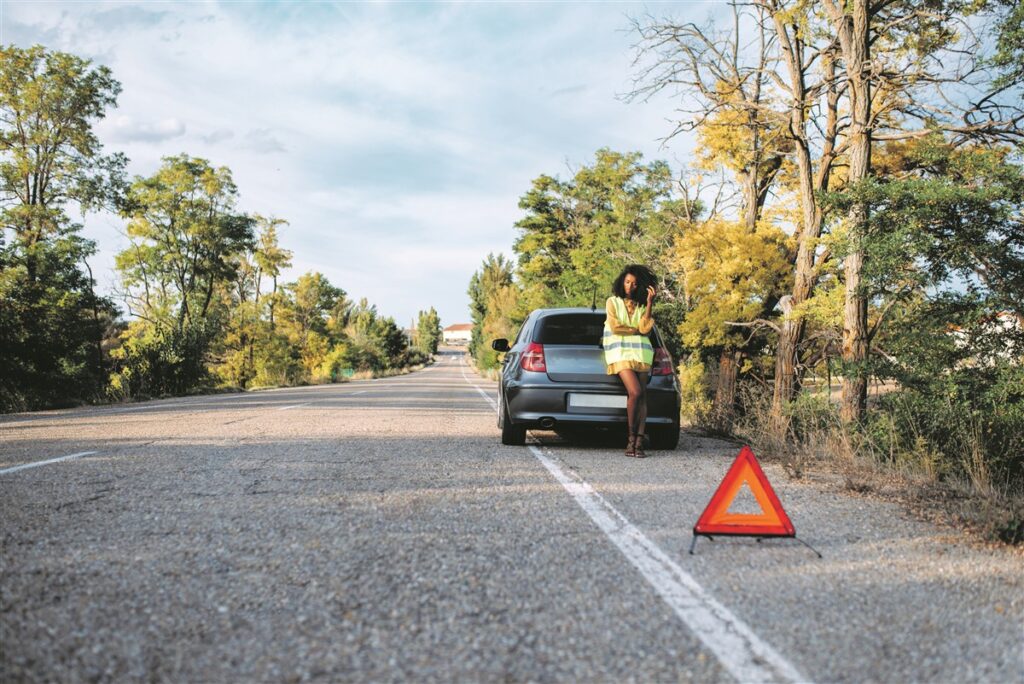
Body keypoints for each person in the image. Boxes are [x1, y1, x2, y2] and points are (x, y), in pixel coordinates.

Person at [603, 265, 657, 458]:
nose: (630, 286)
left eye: (634, 283)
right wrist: (635, 330)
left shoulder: (642, 305)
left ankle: (640, 442)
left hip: (642, 353)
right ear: (621, 282)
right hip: (620, 353)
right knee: (634, 391)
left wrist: (650, 302)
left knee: (642, 396)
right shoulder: (613, 302)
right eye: (627, 282)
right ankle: (631, 438)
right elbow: (616, 327)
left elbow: (645, 328)